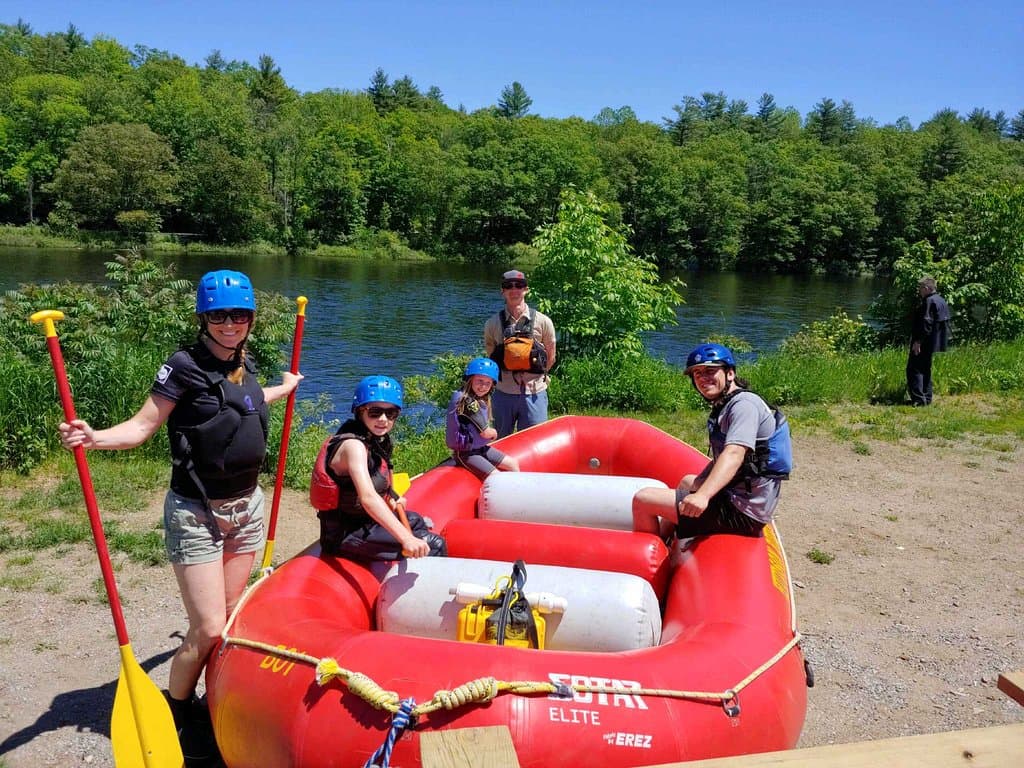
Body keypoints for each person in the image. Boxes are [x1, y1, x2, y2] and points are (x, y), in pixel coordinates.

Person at [57, 270, 302, 759]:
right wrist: (95, 437)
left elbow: (244, 402)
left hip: (247, 511)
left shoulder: (243, 364)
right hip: (197, 513)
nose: (229, 324)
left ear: (251, 319)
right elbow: (143, 426)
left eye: (239, 315)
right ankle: (178, 707)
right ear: (203, 318)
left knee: (232, 620)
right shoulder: (183, 365)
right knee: (209, 627)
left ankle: (219, 699)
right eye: (219, 315)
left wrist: (284, 387)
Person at [632, 343, 792, 540]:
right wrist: (698, 486)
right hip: (740, 495)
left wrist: (702, 495)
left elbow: (734, 453)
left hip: (743, 511)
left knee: (643, 499)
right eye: (697, 374)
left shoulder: (744, 406)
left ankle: (649, 563)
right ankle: (666, 544)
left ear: (730, 373)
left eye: (710, 371)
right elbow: (723, 459)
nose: (703, 378)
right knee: (687, 482)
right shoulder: (728, 404)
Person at [317, 375, 447, 560]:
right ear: (360, 411)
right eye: (375, 412)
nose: (383, 419)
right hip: (347, 534)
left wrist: (392, 496)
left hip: (367, 522)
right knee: (435, 545)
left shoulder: (373, 439)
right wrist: (406, 539)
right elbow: (368, 497)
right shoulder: (353, 446)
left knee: (416, 520)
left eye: (391, 413)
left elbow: (380, 477)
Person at [483, 269, 557, 438]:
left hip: (535, 393)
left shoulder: (543, 321)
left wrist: (537, 377)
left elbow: (551, 356)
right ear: (503, 291)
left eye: (519, 285)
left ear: (526, 289)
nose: (514, 290)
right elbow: (491, 357)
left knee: (536, 442)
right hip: (503, 394)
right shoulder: (492, 324)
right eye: (509, 286)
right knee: (500, 443)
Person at [445, 357, 521, 479]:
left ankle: (518, 491)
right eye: (479, 381)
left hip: (480, 449)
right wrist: (494, 433)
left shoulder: (477, 398)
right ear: (470, 379)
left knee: (513, 463)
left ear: (492, 385)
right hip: (466, 454)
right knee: (496, 477)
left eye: (487, 383)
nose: (483, 386)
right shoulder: (466, 401)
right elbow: (486, 433)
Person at [906, 276, 951, 406]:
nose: (919, 291)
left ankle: (919, 400)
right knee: (926, 368)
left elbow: (927, 322)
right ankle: (927, 397)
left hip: (924, 342)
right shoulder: (941, 300)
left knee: (914, 369)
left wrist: (918, 341)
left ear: (926, 288)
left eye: (920, 288)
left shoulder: (929, 301)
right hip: (933, 342)